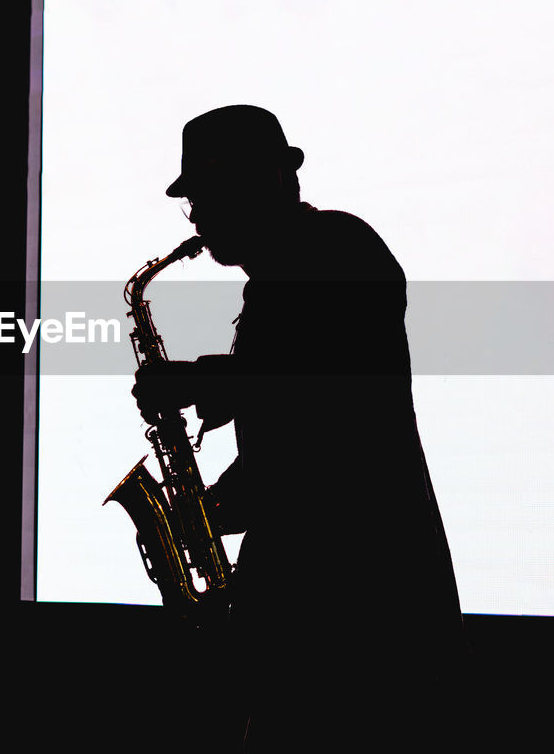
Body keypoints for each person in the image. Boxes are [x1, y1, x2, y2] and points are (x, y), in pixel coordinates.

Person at [132, 105, 467, 749]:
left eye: (203, 197)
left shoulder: (340, 249)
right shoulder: (280, 277)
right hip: (311, 585)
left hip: (361, 596)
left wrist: (199, 382)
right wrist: (206, 514)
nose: (196, 219)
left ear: (252, 187)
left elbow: (322, 396)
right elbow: (292, 437)